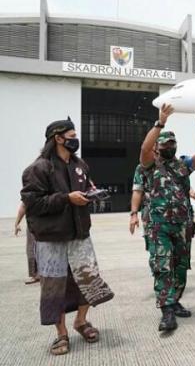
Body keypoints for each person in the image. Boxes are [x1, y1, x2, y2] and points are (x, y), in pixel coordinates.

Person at [21, 117, 114, 355]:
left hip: (80, 234)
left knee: (88, 279)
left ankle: (81, 321)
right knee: (55, 286)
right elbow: (32, 203)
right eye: (71, 138)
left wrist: (92, 193)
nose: (75, 141)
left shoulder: (79, 164)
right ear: (57, 138)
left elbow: (85, 188)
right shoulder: (38, 168)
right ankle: (61, 334)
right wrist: (66, 198)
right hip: (52, 239)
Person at [139, 104, 195, 332]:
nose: (169, 147)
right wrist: (160, 123)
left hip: (182, 225)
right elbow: (144, 149)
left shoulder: (183, 165)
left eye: (172, 143)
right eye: (164, 144)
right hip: (158, 226)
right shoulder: (150, 165)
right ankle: (167, 310)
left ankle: (176, 299)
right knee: (162, 265)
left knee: (180, 266)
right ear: (158, 147)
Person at [14, 201, 39, 284]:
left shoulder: (31, 189)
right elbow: (24, 205)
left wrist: (17, 223)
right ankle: (37, 274)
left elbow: (24, 205)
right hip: (38, 222)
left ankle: (35, 274)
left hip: (36, 223)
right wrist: (17, 223)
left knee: (32, 248)